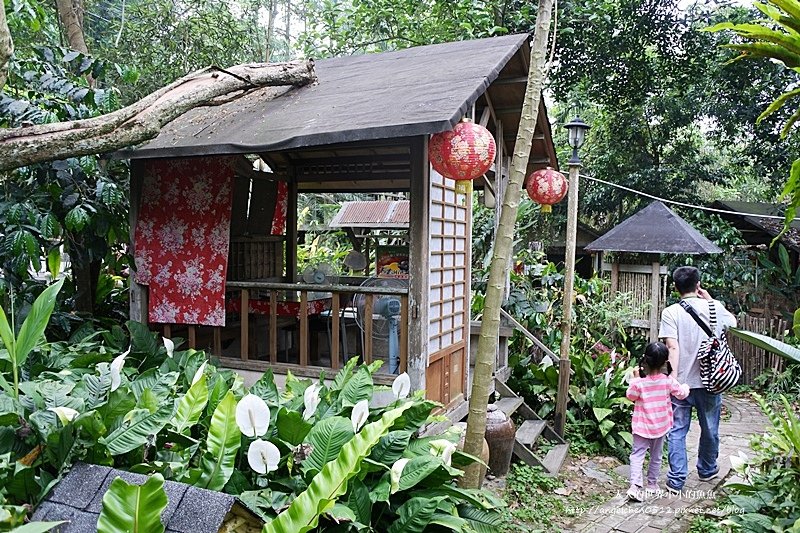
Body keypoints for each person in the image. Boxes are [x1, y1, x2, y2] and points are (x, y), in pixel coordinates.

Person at [659, 266, 737, 493]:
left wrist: (672, 381)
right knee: (710, 428)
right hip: (710, 381)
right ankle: (707, 469)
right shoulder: (715, 307)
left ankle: (676, 480)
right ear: (698, 284)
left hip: (681, 382)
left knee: (677, 431)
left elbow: (672, 346)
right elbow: (732, 323)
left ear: (676, 287)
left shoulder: (671, 312)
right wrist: (711, 300)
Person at [625, 342, 690, 502]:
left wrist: (634, 379)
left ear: (645, 361)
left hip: (642, 426)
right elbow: (681, 394)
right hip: (660, 427)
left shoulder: (639, 383)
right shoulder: (668, 381)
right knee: (656, 456)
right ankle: (652, 484)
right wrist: (687, 387)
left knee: (637, 455)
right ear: (665, 362)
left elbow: (630, 396)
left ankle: (635, 486)